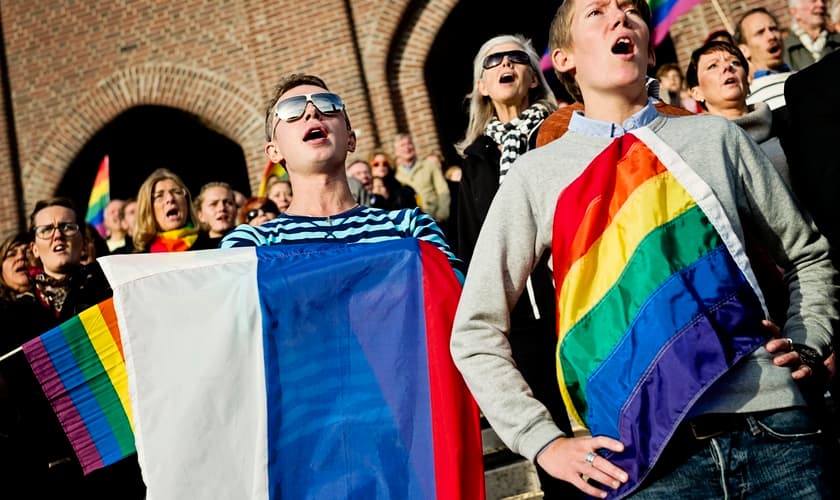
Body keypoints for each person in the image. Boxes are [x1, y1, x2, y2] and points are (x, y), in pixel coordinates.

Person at [451, 1, 837, 498]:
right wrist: (542, 440)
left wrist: (809, 337)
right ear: (564, 58)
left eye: (631, 10)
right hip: (642, 460)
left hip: (773, 431)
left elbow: (806, 253)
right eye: (597, 11)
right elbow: (475, 328)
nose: (621, 18)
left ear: (649, 53)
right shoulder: (535, 174)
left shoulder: (716, 136)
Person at [453, 33, 576, 500]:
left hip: (574, 298)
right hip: (520, 318)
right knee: (551, 439)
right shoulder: (475, 160)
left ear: (533, 75)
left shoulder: (564, 131)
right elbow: (471, 245)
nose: (505, 64)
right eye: (493, 60)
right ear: (482, 85)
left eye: (516, 57)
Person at [220, 73, 463, 282]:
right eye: (291, 111)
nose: (312, 111)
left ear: (350, 139)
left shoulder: (410, 227)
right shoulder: (250, 244)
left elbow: (453, 304)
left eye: (328, 104)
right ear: (274, 151)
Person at [0, 198, 145, 498]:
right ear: (34, 248)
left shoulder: (112, 291)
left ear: (82, 240)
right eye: (46, 229)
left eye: (67, 227)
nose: (58, 234)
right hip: (49, 465)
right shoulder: (13, 314)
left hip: (119, 450)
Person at [686, 41, 790, 184]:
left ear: (747, 83)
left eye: (735, 62)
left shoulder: (787, 122)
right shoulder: (701, 152)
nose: (727, 67)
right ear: (697, 93)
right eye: (713, 66)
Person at [133, 168, 200, 253]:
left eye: (176, 192)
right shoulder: (136, 256)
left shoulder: (210, 246)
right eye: (159, 196)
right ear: (148, 209)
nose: (170, 198)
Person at [393, 132, 451, 222]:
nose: (407, 147)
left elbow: (443, 190)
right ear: (397, 151)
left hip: (434, 218)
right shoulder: (396, 175)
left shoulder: (429, 165)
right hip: (411, 222)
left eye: (409, 143)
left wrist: (441, 215)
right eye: (402, 145)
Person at [785, 0, 840, 70]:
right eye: (813, 1)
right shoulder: (784, 50)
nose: (821, 4)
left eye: (823, 1)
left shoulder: (837, 40)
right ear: (794, 11)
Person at [192, 181, 238, 250]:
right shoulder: (192, 252)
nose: (222, 208)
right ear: (201, 215)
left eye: (228, 203)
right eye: (213, 204)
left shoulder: (251, 239)